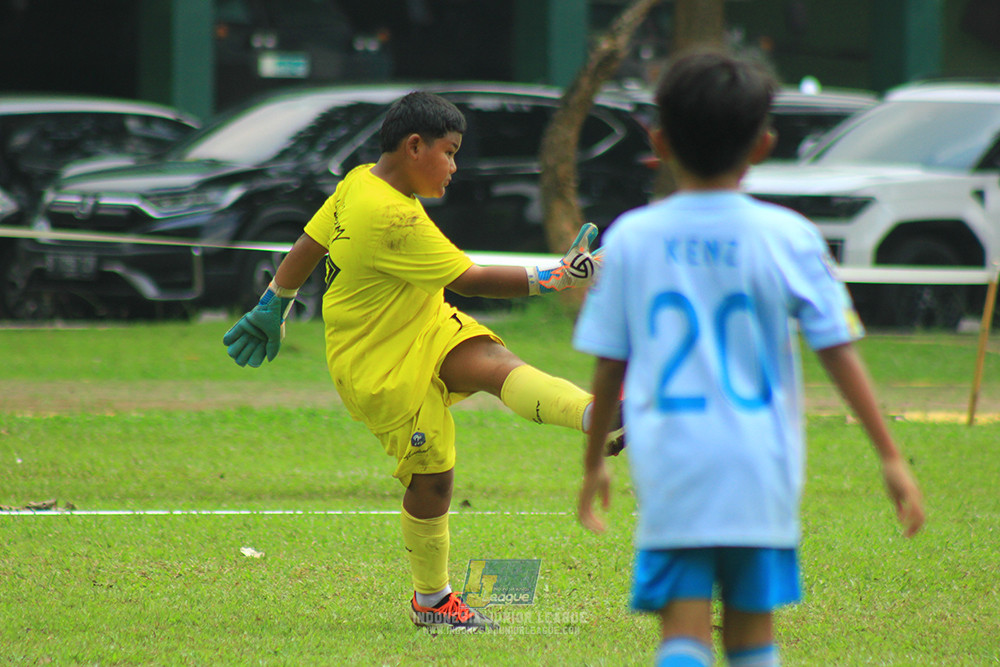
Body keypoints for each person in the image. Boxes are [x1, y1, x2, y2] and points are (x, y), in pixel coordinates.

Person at [222, 91, 623, 633]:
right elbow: (470, 279)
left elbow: (309, 241)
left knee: (492, 362)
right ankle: (432, 602)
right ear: (415, 146)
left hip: (421, 323)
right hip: (377, 363)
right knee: (434, 480)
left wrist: (275, 302)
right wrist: (562, 276)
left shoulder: (360, 179)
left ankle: (599, 415)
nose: (455, 167)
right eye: (450, 152)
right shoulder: (390, 217)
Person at [573, 49, 925, 667]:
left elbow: (610, 363)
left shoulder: (632, 237)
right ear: (763, 143)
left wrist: (592, 462)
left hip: (672, 461)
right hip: (761, 465)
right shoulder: (789, 236)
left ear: (659, 140)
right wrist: (890, 456)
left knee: (682, 633)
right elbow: (838, 352)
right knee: (752, 638)